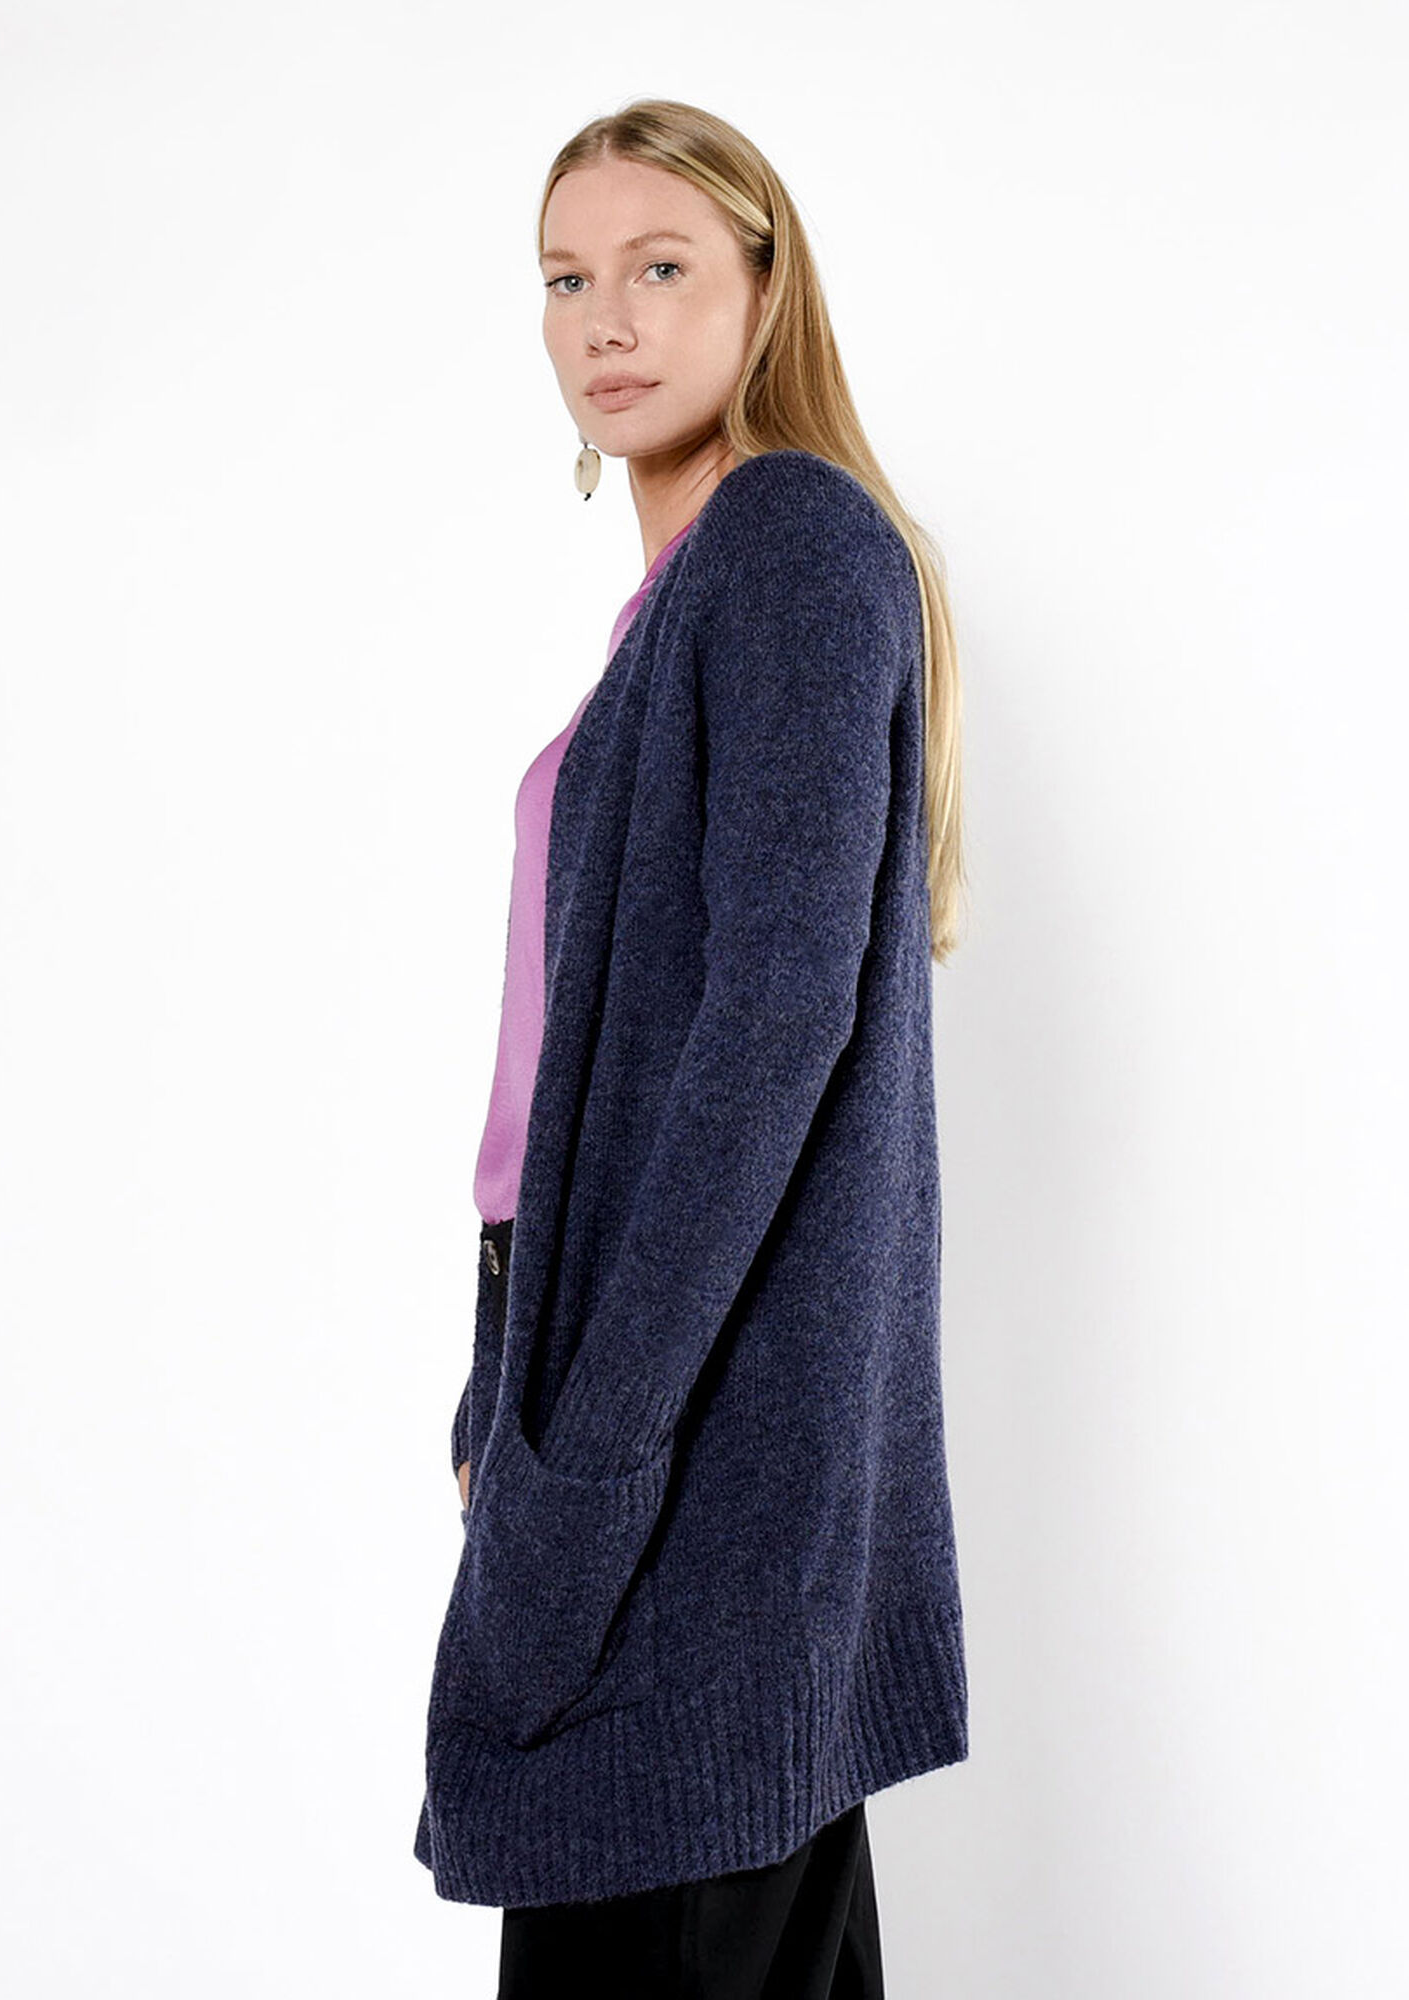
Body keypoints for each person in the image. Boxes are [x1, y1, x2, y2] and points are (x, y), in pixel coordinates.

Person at [413, 98, 971, 1999]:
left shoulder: (793, 543)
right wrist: (506, 1384)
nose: (607, 320)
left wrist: (598, 1431)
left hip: (693, 1392)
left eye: (660, 267)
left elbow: (776, 1015)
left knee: (678, 1904)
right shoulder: (681, 604)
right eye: (567, 278)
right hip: (594, 1354)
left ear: (764, 285)